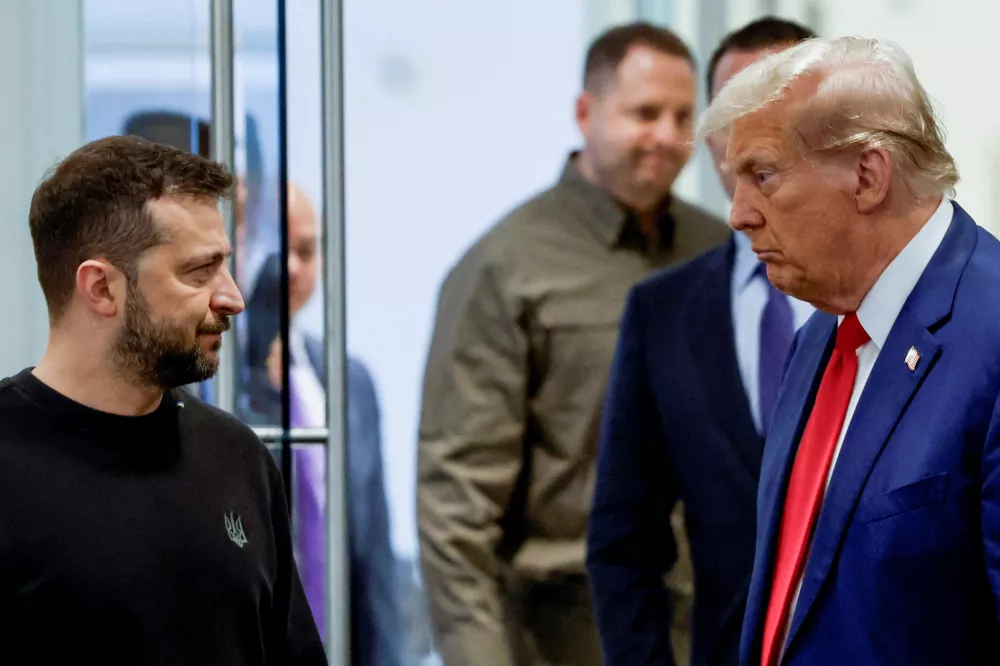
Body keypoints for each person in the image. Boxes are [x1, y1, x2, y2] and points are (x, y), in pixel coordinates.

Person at [417, 22, 730, 666]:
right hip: (560, 635)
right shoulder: (506, 267)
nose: (667, 137)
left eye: (682, 116)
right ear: (586, 113)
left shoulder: (722, 253)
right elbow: (456, 506)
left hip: (707, 630)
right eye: (644, 113)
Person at [698, 36, 1000, 665]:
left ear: (868, 175)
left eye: (763, 175)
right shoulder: (820, 338)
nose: (738, 214)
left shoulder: (990, 332)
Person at [0, 135, 326, 664]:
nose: (233, 298)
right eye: (199, 272)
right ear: (101, 288)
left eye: (225, 266)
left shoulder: (236, 457)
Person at [586, 18, 816, 666]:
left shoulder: (882, 296)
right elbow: (624, 542)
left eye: (777, 105)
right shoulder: (663, 311)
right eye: (732, 110)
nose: (751, 133)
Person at [241, 183, 405, 666]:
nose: (291, 267)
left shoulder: (349, 383)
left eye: (306, 251)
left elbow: (374, 560)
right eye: (276, 249)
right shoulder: (208, 386)